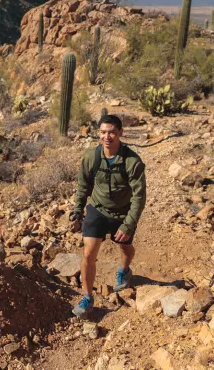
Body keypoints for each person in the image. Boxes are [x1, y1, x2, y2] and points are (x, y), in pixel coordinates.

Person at [70, 114, 147, 319]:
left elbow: (139, 197)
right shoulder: (91, 157)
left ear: (120, 133)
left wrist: (128, 225)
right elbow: (83, 186)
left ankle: (124, 270)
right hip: (97, 209)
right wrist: (77, 211)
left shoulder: (133, 161)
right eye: (103, 132)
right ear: (99, 133)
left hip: (123, 213)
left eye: (112, 132)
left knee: (125, 248)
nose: (107, 136)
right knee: (88, 253)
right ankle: (87, 297)